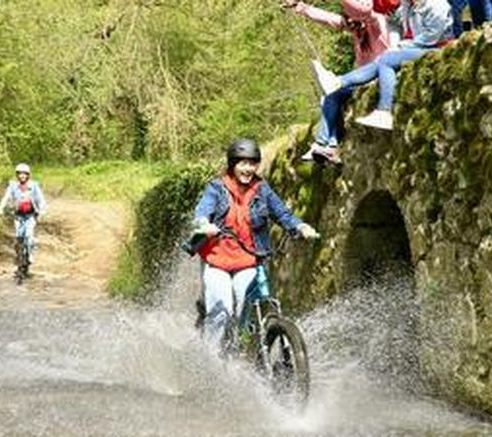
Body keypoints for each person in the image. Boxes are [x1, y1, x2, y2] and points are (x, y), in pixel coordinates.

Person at [186, 139, 319, 348]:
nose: (248, 169)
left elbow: (281, 213)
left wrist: (300, 227)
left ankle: (239, 351)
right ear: (233, 164)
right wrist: (204, 224)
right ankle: (209, 361)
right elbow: (203, 210)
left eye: (253, 163)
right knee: (222, 311)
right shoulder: (217, 188)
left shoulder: (262, 189)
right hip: (218, 261)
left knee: (243, 313)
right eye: (243, 163)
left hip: (248, 261)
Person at [313, 0, 453, 131]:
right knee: (384, 59)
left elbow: (431, 37)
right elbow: (394, 21)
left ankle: (385, 110)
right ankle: (337, 82)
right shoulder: (407, 5)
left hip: (437, 48)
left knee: (387, 60)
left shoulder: (436, 4)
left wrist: (401, 46)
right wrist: (395, 44)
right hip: (419, 47)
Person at [283, 0, 391, 165]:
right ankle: (326, 144)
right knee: (331, 95)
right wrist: (300, 6)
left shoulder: (376, 21)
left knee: (336, 87)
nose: (349, 23)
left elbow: (364, 12)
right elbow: (328, 18)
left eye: (351, 17)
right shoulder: (356, 27)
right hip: (362, 82)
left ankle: (329, 144)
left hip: (380, 77)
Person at [0, 163, 47, 265]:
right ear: (17, 175)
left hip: (30, 215)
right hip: (18, 215)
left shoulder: (34, 186)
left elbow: (41, 199)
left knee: (29, 235)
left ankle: (30, 253)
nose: (22, 176)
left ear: (28, 175)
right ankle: (18, 253)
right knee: (19, 236)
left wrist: (42, 210)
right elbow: (6, 197)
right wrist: (0, 208)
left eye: (24, 174)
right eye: (20, 174)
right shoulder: (13, 186)